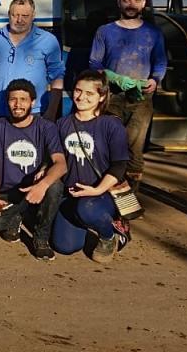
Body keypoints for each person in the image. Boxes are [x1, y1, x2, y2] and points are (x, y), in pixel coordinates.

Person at [89, 0, 166, 194]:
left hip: (141, 97)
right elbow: (94, 62)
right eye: (126, 1)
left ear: (143, 4)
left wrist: (155, 80)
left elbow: (160, 62)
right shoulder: (104, 31)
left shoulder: (153, 32)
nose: (131, 5)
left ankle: (130, 196)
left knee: (134, 147)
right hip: (111, 96)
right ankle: (107, 192)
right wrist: (112, 77)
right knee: (110, 144)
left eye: (136, 1)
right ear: (119, 3)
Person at [0, 79, 66, 261]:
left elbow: (61, 164)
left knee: (55, 186)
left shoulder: (46, 127)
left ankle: (41, 237)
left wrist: (42, 185)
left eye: (23, 99)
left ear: (32, 102)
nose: (18, 104)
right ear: (7, 102)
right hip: (9, 192)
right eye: (13, 99)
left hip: (36, 188)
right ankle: (17, 215)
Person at [53, 70, 131, 262]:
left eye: (90, 93)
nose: (81, 97)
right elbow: (55, 158)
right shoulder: (62, 124)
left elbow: (119, 165)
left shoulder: (111, 125)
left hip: (103, 194)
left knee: (87, 208)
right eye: (78, 91)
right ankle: (86, 219)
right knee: (64, 246)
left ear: (102, 96)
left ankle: (110, 234)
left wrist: (97, 190)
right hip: (71, 193)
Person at [0, 0, 64, 120]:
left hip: (35, 111)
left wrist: (52, 111)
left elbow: (57, 77)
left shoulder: (48, 40)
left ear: (33, 16)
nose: (19, 20)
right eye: (15, 15)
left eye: (25, 16)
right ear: (9, 14)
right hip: (0, 110)